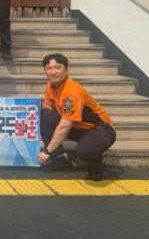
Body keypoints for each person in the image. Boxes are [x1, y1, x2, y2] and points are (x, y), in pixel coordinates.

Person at [39, 53, 116, 181]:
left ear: (66, 70)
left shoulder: (72, 91)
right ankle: (59, 158)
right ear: (45, 70)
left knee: (85, 150)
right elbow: (49, 107)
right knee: (44, 115)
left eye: (58, 67)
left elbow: (65, 125)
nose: (53, 71)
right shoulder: (50, 86)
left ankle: (96, 168)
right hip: (78, 127)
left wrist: (47, 151)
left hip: (99, 130)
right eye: (49, 68)